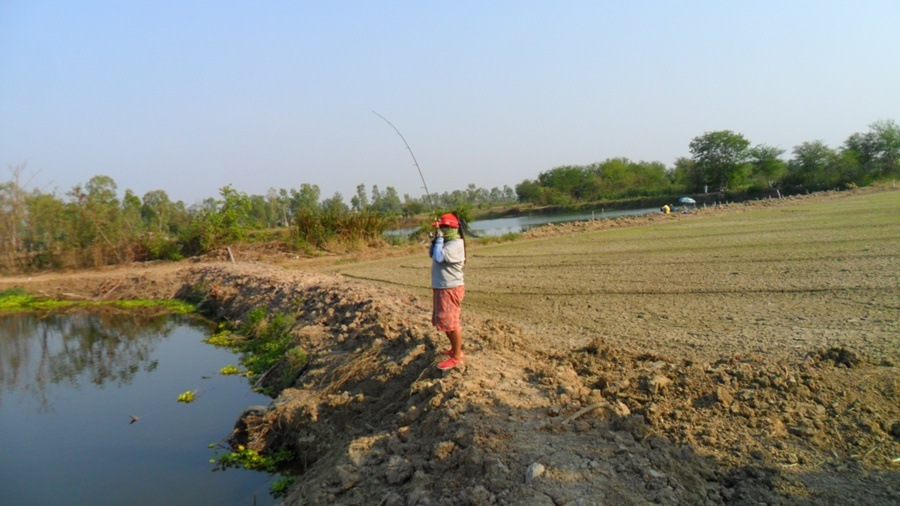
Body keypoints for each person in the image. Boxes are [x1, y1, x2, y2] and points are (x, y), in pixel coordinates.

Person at [429, 212, 466, 370]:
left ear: (450, 228)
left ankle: (457, 356)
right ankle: (454, 349)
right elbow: (432, 254)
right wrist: (435, 241)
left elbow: (439, 257)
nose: (441, 230)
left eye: (442, 227)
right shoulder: (446, 242)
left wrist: (439, 241)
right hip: (441, 287)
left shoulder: (455, 244)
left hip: (450, 288)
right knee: (443, 321)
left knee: (452, 323)